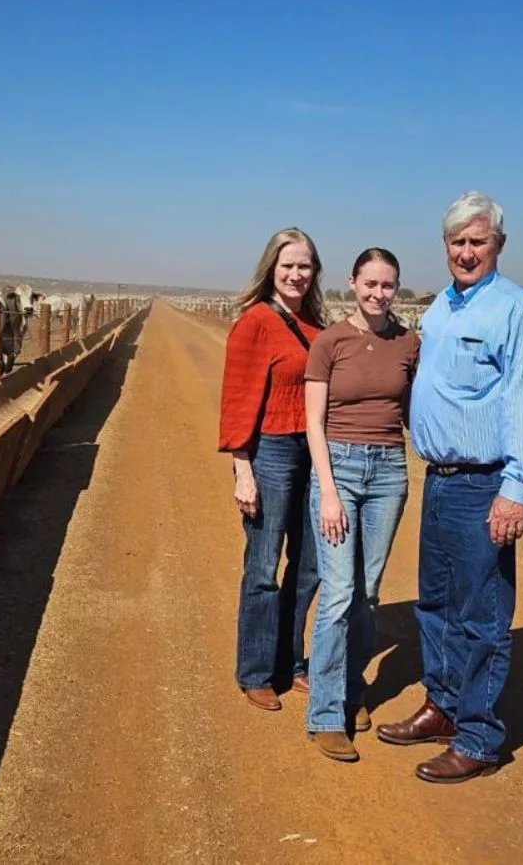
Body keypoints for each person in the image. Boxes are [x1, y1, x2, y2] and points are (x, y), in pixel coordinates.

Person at [375, 190, 523, 783]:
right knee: (436, 605)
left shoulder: (516, 310)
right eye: (457, 242)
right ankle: (442, 707)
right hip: (441, 479)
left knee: (481, 615)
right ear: (445, 245)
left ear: (498, 245)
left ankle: (478, 735)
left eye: (478, 241)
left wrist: (516, 488)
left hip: (484, 483)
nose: (466, 252)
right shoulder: (442, 308)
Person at [301, 248, 420, 762]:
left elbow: (416, 410)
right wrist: (327, 489)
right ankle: (326, 712)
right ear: (352, 283)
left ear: (397, 288)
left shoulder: (409, 343)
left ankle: (353, 688)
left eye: (387, 285)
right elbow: (313, 422)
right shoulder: (331, 341)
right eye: (369, 283)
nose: (378, 293)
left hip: (390, 469)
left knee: (369, 590)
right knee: (339, 590)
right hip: (340, 471)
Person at [218, 227, 326, 711]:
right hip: (272, 451)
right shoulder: (255, 322)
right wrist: (244, 469)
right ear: (271, 269)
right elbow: (238, 398)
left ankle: (292, 661)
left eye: (304, 266)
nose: (297, 274)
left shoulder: (317, 326)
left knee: (308, 566)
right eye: (288, 266)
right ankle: (256, 670)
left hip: (314, 452)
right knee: (264, 564)